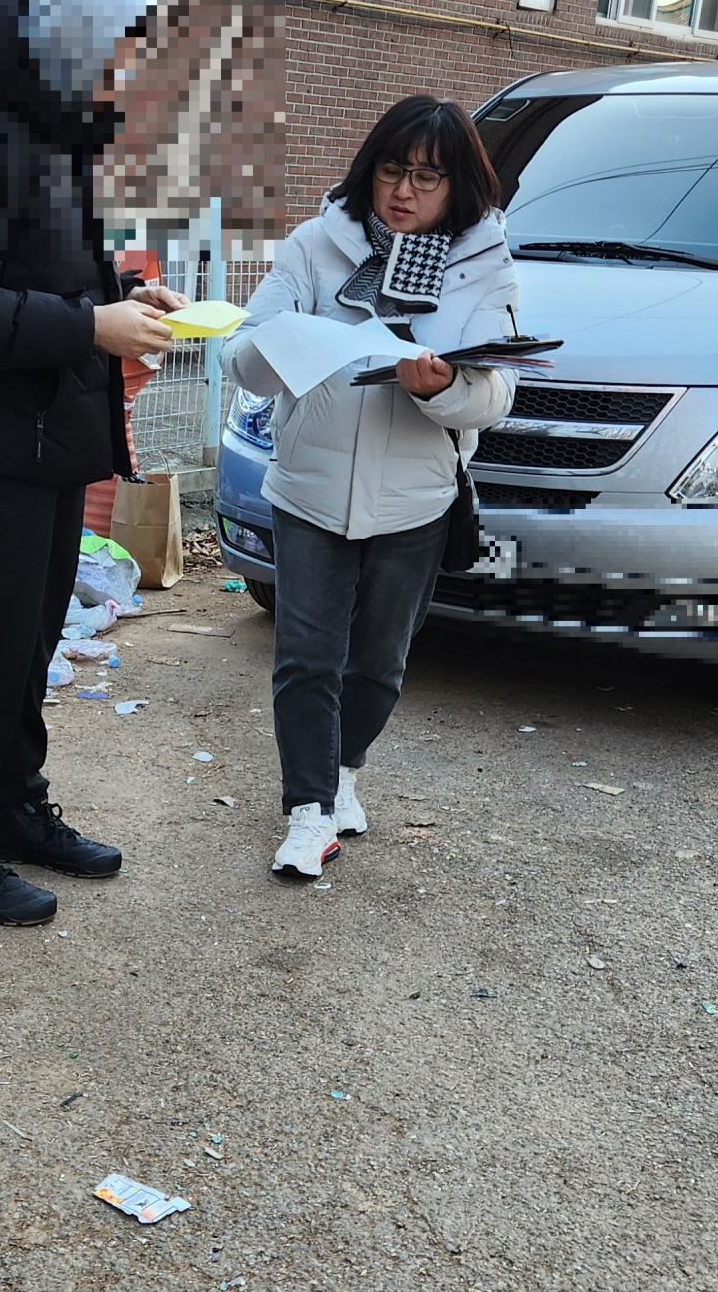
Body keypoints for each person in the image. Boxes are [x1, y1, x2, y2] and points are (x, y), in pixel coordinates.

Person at [0, 0, 186, 925]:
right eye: (106, 57)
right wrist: (88, 327)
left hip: (51, 440)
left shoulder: (46, 148)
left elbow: (41, 281)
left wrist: (121, 298)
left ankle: (14, 809)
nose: (117, 79)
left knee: (27, 646)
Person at [224, 96, 521, 879]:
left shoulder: (485, 269)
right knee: (305, 658)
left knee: (380, 663)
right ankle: (306, 811)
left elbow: (496, 396)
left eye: (428, 177)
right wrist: (287, 347)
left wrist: (436, 387)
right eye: (393, 170)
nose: (404, 191)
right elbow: (245, 356)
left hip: (416, 498)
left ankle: (345, 770)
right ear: (370, 169)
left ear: (458, 188)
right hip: (309, 489)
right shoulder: (313, 248)